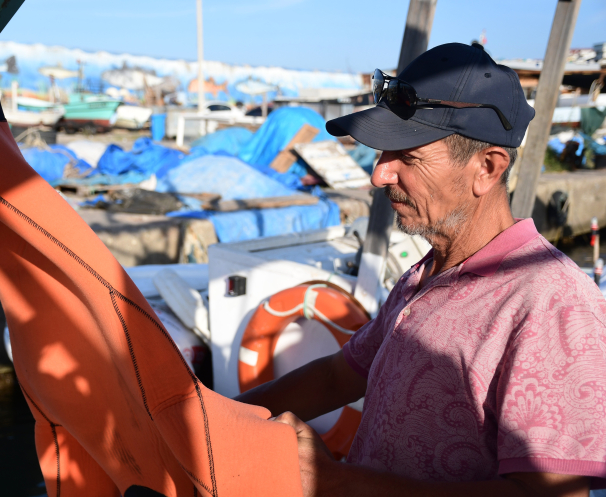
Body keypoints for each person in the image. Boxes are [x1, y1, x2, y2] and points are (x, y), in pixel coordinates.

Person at [236, 43, 606, 496]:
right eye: (381, 153)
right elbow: (338, 375)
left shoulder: (551, 303)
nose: (379, 175)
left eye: (407, 157)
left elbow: (552, 494)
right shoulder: (426, 273)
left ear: (487, 168)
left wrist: (339, 483)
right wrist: (219, 418)